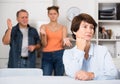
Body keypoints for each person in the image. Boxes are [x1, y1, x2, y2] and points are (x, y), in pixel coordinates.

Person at [63, 13, 118, 80]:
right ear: (75, 31)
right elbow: (72, 73)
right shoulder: (68, 53)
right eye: (85, 27)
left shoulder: (102, 50)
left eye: (91, 27)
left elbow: (114, 73)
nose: (89, 30)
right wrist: (80, 50)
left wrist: (92, 75)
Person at [40, 6, 72, 76]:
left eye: (54, 13)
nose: (53, 16)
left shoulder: (63, 28)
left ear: (58, 14)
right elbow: (44, 44)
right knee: (46, 77)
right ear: (48, 15)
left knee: (59, 77)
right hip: (46, 55)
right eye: (50, 14)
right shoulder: (43, 27)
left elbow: (62, 45)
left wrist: (65, 42)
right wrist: (44, 35)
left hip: (59, 54)